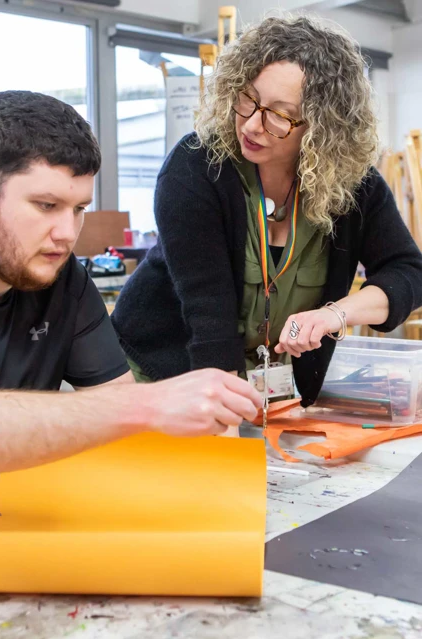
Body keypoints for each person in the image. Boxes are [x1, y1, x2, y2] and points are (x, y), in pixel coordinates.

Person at [0, 91, 263, 539]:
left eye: (79, 209)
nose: (67, 234)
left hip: (16, 519)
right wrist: (151, 403)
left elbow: (117, 434)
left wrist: (11, 481)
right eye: (46, 206)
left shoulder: (62, 277)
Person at [112, 15, 422, 414]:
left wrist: (335, 315)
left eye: (280, 113)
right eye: (249, 98)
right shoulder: (196, 168)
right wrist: (227, 448)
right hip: (161, 374)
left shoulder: (353, 186)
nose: (254, 125)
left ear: (322, 127)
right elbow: (210, 322)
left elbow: (409, 272)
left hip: (259, 390)